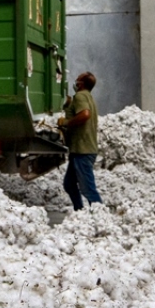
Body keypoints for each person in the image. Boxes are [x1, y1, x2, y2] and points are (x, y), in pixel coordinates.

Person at [58, 71, 102, 210]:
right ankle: (80, 212)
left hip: (83, 151)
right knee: (69, 184)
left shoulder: (80, 96)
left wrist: (66, 123)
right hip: (79, 150)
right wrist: (69, 105)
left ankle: (100, 215)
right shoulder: (88, 97)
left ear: (81, 84)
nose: (75, 82)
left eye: (77, 80)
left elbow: (85, 114)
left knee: (88, 188)